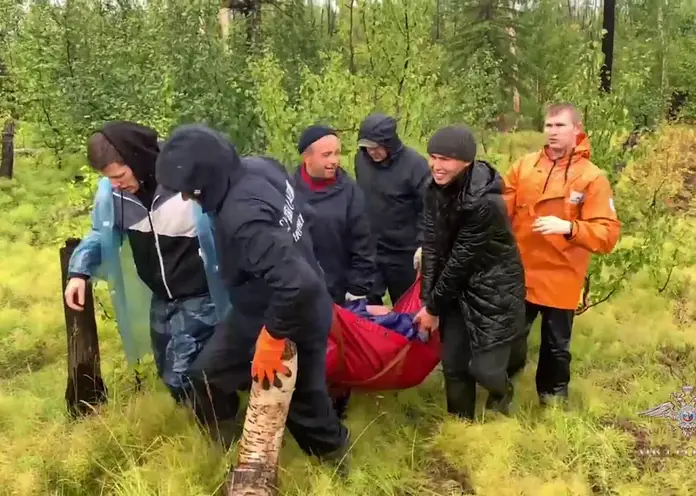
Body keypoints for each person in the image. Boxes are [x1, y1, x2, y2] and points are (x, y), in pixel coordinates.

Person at [154, 124, 350, 472]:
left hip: (293, 312)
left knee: (304, 405)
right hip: (255, 307)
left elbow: (297, 284)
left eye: (190, 190)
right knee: (206, 378)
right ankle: (231, 448)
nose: (187, 198)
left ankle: (339, 466)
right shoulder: (259, 165)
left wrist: (273, 338)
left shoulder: (241, 216)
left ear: (208, 179)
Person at [64, 121, 230, 404]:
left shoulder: (185, 178)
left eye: (118, 175)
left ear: (136, 158)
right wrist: (79, 271)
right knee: (167, 370)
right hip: (162, 297)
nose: (115, 184)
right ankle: (207, 416)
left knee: (184, 373)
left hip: (202, 293)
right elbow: (101, 233)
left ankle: (221, 425)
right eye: (109, 179)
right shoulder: (115, 194)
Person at [502, 102, 621, 405]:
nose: (553, 132)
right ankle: (500, 395)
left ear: (577, 130)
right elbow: (499, 209)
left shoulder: (592, 177)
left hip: (562, 274)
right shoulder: (524, 167)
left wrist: (568, 226)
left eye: (560, 126)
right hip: (520, 271)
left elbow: (607, 235)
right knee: (509, 338)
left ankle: (552, 403)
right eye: (549, 126)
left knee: (556, 347)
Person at [414, 125, 526, 420]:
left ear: (466, 162)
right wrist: (429, 304)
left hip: (492, 288)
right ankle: (460, 423)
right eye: (433, 157)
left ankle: (502, 394)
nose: (437, 166)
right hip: (455, 288)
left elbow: (459, 262)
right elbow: (432, 246)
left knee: (485, 370)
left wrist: (433, 306)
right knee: (453, 365)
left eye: (446, 159)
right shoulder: (432, 189)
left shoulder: (485, 203)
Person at [294, 124, 376, 305]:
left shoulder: (350, 193)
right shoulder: (289, 190)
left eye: (337, 153)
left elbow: (363, 245)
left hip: (339, 294)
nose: (334, 161)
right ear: (307, 157)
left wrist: (358, 290)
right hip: (299, 293)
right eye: (326, 155)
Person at [354, 112, 430, 305]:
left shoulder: (415, 165)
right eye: (367, 147)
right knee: (367, 307)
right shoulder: (361, 161)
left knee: (407, 307)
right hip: (372, 250)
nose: (372, 152)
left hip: (404, 253)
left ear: (390, 143)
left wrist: (423, 244)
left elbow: (428, 207)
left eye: (377, 147)